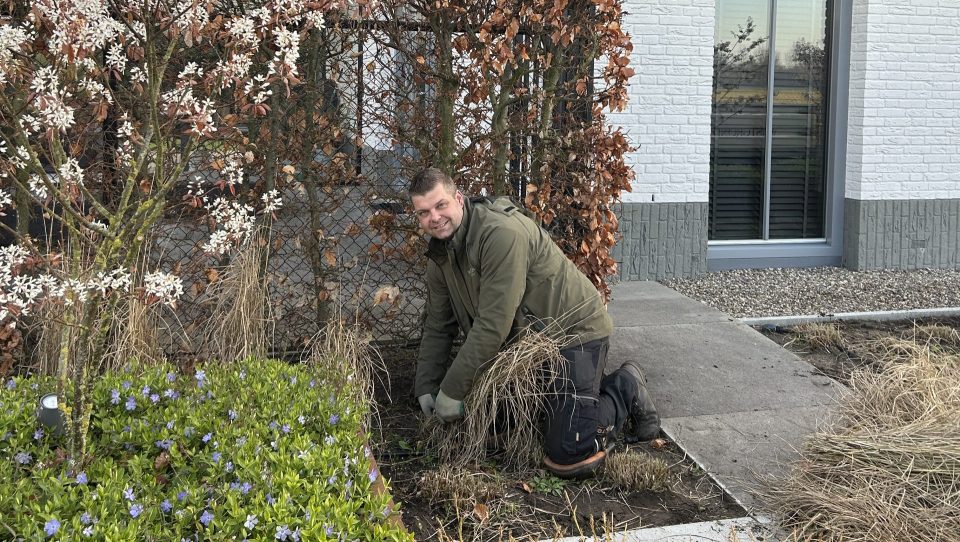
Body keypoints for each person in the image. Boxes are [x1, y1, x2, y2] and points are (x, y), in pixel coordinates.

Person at [409, 167, 660, 478]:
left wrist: (452, 390)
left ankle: (624, 387)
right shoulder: (442, 254)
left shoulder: (500, 235)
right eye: (424, 212)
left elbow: (492, 324)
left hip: (573, 333)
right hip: (529, 347)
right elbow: (438, 324)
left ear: (459, 199)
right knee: (490, 430)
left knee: (569, 455)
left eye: (440, 205)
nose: (434, 217)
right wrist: (428, 387)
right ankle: (569, 400)